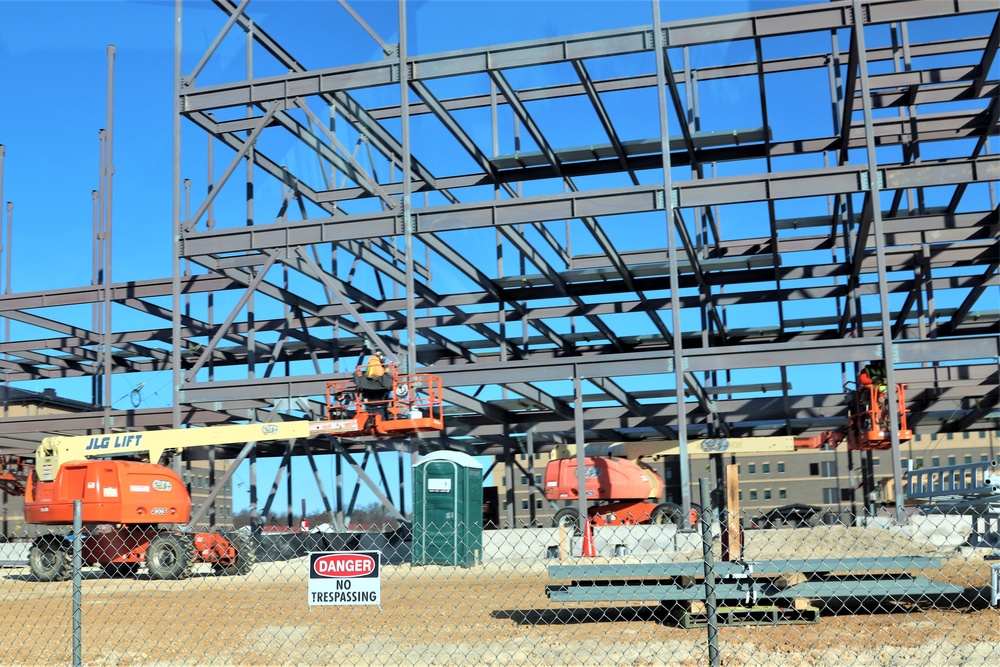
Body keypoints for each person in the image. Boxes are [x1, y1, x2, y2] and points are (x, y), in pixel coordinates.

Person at [355, 350, 393, 427]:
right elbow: (379, 373)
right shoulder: (375, 363)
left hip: (370, 390)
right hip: (377, 387)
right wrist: (387, 369)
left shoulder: (372, 362)